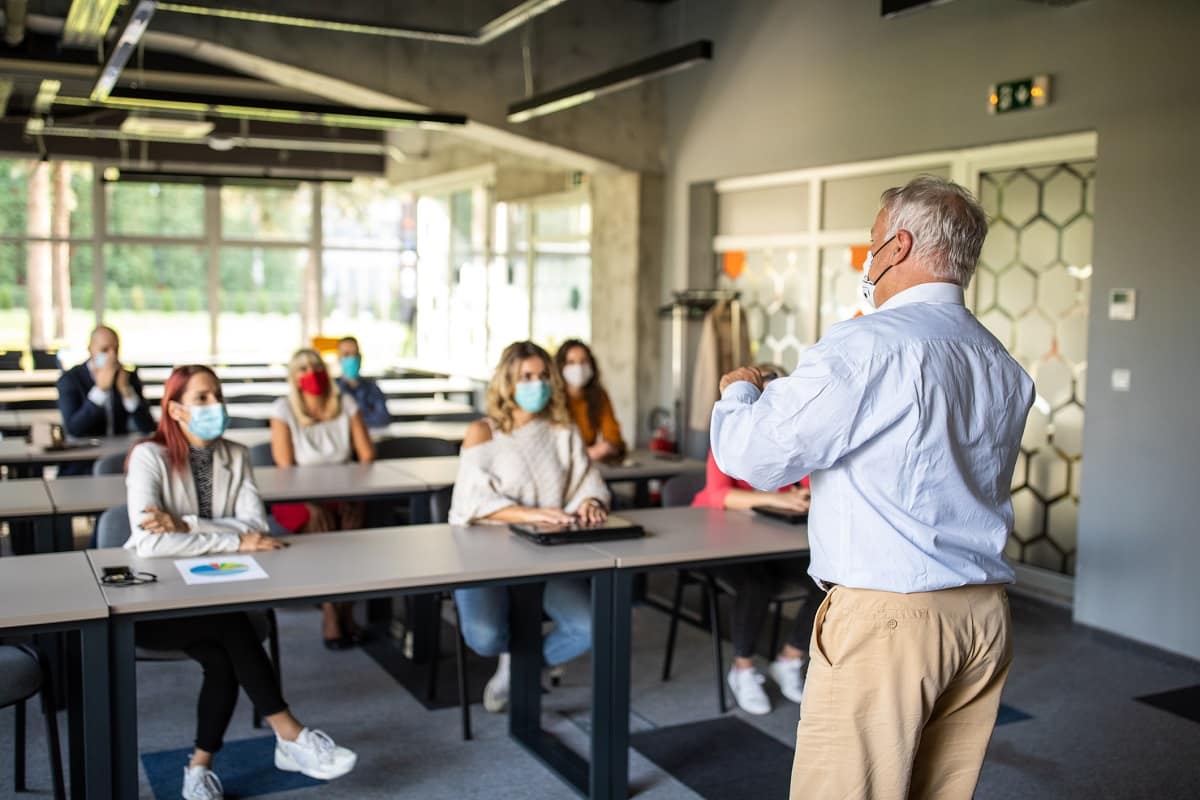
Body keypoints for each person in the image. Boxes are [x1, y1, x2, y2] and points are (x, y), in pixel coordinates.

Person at [710, 176, 1034, 800]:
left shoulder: (867, 346)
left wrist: (740, 391)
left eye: (871, 240)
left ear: (898, 246)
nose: (868, 255)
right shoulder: (1000, 361)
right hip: (983, 619)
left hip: (892, 620)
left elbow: (754, 456)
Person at [125, 365, 356, 800]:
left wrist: (184, 526)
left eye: (219, 395)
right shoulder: (148, 457)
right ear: (175, 410)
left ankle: (199, 767)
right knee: (235, 628)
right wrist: (222, 535)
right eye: (203, 399)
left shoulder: (236, 454)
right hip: (157, 603)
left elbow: (256, 527)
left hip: (215, 594)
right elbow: (151, 543)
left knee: (225, 648)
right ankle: (288, 734)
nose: (217, 406)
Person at [449, 340, 610, 713]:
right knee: (485, 637)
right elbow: (468, 504)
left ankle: (517, 666)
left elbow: (586, 482)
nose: (535, 384)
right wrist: (528, 514)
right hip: (483, 555)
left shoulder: (562, 431)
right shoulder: (482, 432)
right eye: (525, 377)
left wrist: (590, 501)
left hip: (544, 554)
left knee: (589, 626)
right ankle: (509, 657)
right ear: (507, 382)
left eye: (541, 376)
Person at [690, 363, 820, 715]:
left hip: (774, 541)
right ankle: (743, 669)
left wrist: (805, 496)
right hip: (720, 542)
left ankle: (789, 659)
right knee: (756, 586)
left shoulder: (792, 437)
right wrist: (776, 498)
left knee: (825, 577)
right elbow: (719, 495)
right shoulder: (729, 434)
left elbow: (808, 487)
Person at [270, 348, 375, 649]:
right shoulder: (283, 409)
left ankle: (344, 609)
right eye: (302, 368)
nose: (311, 373)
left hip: (343, 491)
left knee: (352, 530)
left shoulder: (345, 403)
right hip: (296, 496)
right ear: (293, 377)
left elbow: (366, 455)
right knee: (325, 528)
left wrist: (352, 496)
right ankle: (333, 612)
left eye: (315, 366)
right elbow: (285, 466)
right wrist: (310, 503)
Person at [56, 325, 154, 474]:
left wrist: (127, 392)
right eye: (104, 350)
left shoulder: (127, 378)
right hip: (83, 462)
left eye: (116, 349)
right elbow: (74, 429)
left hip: (121, 458)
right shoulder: (70, 379)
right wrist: (100, 391)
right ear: (90, 349)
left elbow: (147, 427)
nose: (112, 356)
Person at [554, 339, 627, 463]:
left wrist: (606, 447)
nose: (578, 367)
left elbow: (614, 438)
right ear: (561, 367)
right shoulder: (552, 398)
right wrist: (587, 453)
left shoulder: (599, 396)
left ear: (591, 365)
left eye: (584, 361)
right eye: (571, 362)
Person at [334, 336, 391, 429]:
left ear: (360, 358)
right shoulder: (332, 389)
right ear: (338, 358)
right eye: (346, 354)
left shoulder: (372, 388)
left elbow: (383, 418)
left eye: (355, 354)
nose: (352, 358)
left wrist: (352, 423)